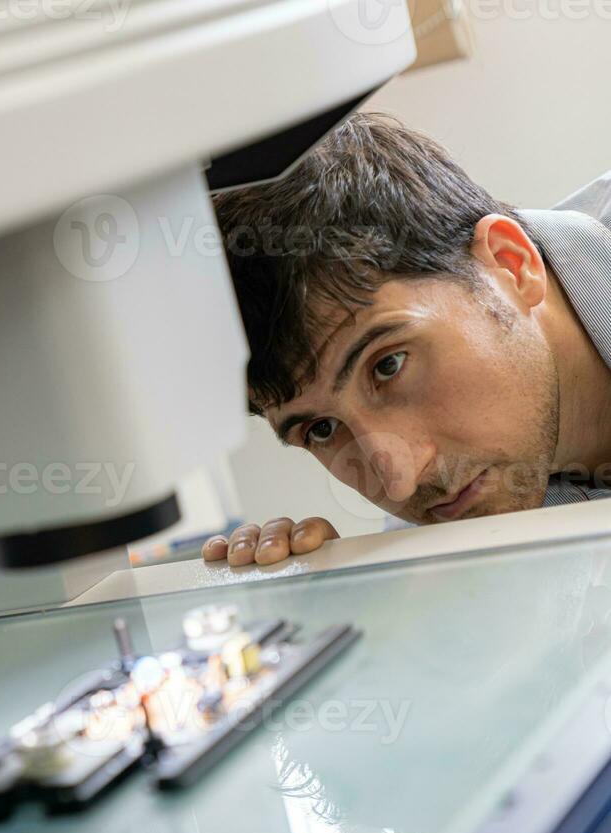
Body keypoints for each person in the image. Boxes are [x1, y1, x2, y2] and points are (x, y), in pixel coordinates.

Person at [202, 113, 611, 567]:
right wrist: (379, 608)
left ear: (511, 265)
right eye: (321, 429)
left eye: (388, 365)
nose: (399, 479)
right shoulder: (456, 509)